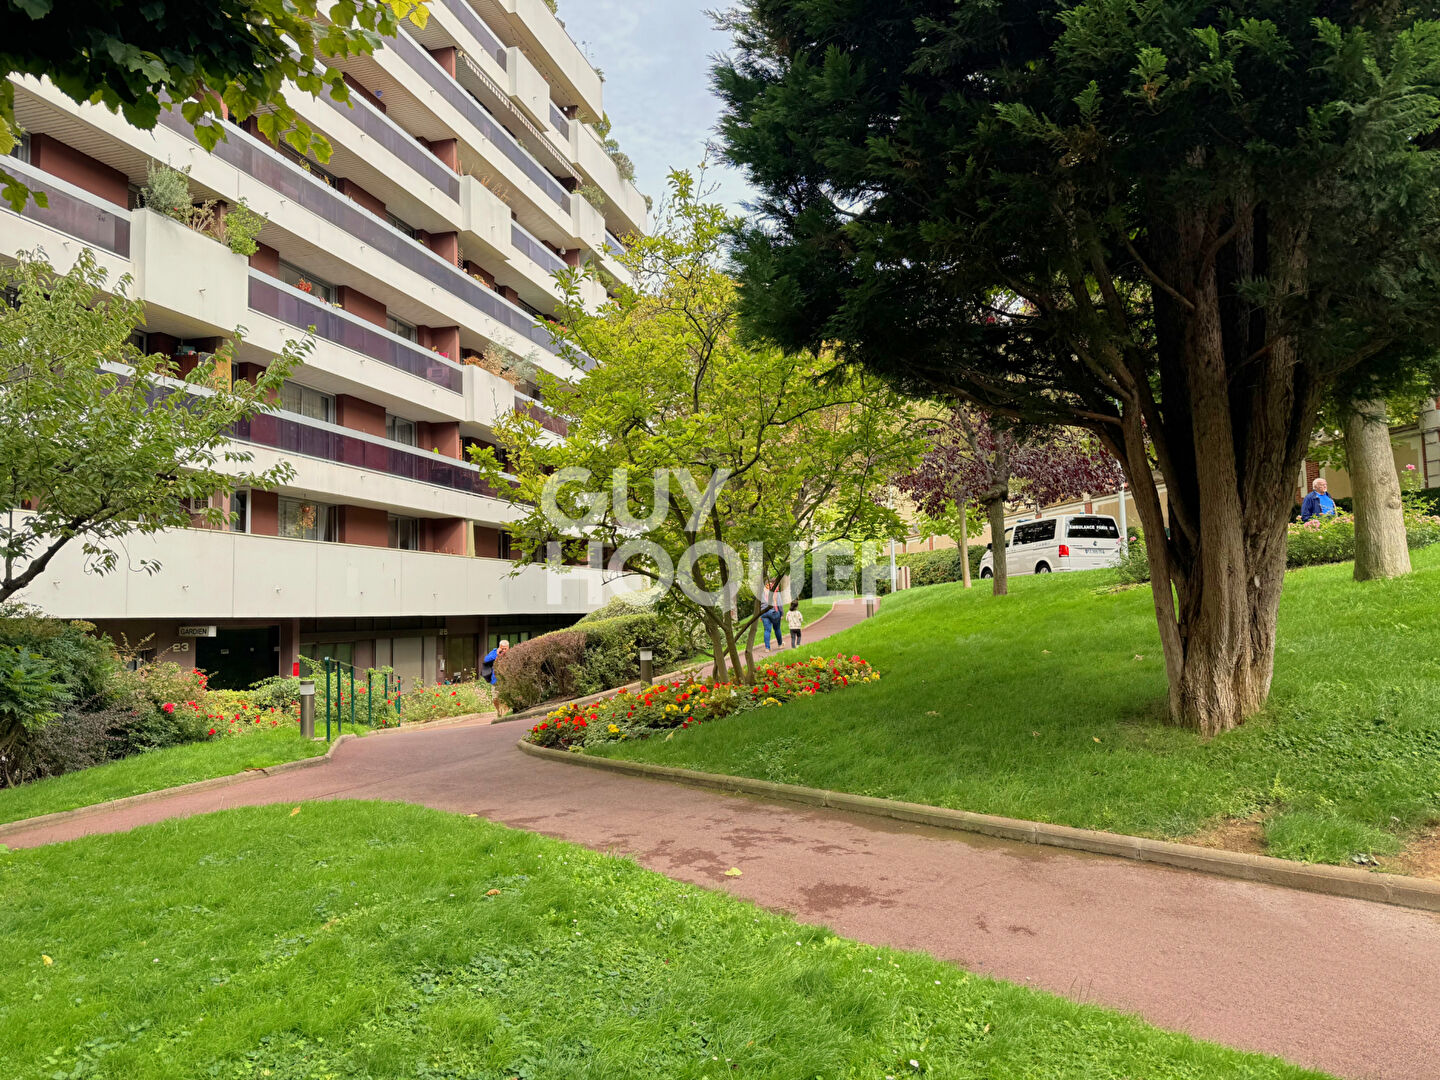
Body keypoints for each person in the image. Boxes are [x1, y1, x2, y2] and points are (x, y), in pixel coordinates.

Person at [760, 581, 784, 650]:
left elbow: (759, 605)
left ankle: (767, 648)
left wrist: (760, 616)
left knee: (767, 630)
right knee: (777, 629)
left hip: (764, 612)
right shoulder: (775, 592)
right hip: (774, 612)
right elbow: (779, 604)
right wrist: (781, 614)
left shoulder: (762, 592)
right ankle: (780, 645)